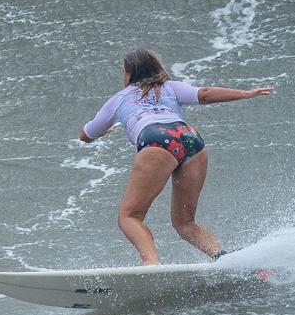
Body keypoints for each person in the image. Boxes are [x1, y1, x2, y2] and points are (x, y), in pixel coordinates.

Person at [79, 49, 273, 265]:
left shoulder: (118, 99)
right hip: (190, 137)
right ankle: (226, 262)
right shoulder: (170, 87)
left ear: (128, 73)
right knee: (185, 223)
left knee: (130, 217)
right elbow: (205, 94)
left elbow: (86, 135)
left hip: (156, 139)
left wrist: (102, 131)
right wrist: (245, 93)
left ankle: (151, 266)